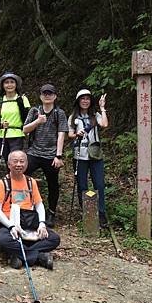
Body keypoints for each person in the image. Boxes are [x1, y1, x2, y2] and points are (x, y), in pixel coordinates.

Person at [0, 150, 60, 270]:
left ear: (27, 164)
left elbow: (39, 204)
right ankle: (38, 256)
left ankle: (19, 256)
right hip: (10, 224)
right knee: (3, 239)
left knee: (54, 238)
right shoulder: (2, 184)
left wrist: (42, 224)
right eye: (15, 161)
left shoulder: (30, 182)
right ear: (9, 165)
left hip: (30, 223)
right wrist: (11, 226)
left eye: (22, 161)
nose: (19, 164)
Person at [23, 84, 68, 228]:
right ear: (40, 96)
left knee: (53, 185)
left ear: (55, 96)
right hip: (34, 152)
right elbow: (25, 130)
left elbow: (61, 134)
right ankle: (26, 207)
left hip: (51, 155)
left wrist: (58, 156)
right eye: (44, 93)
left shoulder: (59, 113)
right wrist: (37, 121)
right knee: (23, 177)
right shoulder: (35, 111)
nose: (47, 96)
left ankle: (51, 212)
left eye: (50, 93)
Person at [68, 89, 109, 227]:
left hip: (95, 154)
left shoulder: (94, 115)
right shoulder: (73, 117)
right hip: (79, 154)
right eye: (82, 98)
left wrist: (102, 108)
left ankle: (101, 214)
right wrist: (76, 134)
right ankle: (87, 212)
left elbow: (104, 124)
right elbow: (70, 134)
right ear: (78, 101)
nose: (85, 101)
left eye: (87, 99)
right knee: (82, 185)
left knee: (99, 185)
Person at [0, 72, 31, 176]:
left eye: (12, 82)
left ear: (16, 84)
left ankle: (18, 180)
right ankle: (11, 182)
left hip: (17, 134)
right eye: (6, 83)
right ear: (3, 85)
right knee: (7, 161)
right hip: (2, 134)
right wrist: (1, 125)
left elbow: (27, 117)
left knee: (16, 161)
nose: (9, 85)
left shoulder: (22, 99)